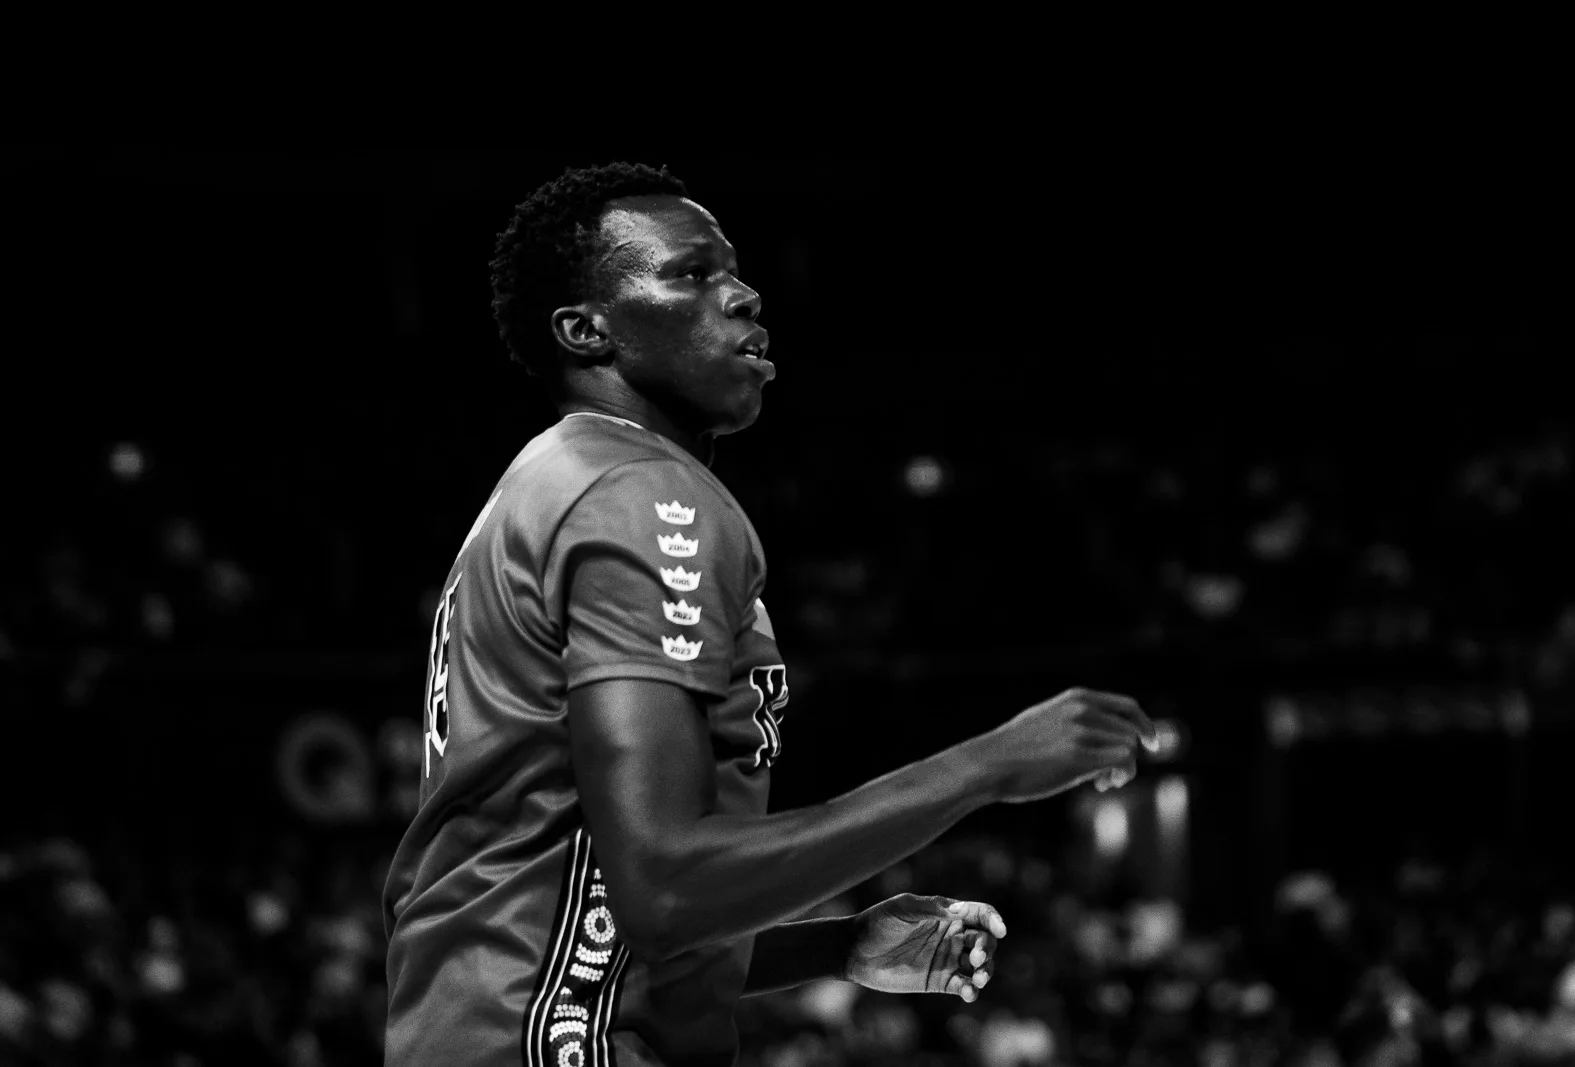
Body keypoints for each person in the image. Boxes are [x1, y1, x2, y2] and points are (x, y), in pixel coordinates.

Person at [381, 161, 1160, 1067]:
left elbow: (559, 901)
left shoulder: (549, 483)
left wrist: (839, 945)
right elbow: (663, 886)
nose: (742, 293)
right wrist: (988, 765)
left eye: (734, 269)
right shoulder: (638, 493)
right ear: (587, 331)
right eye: (691, 273)